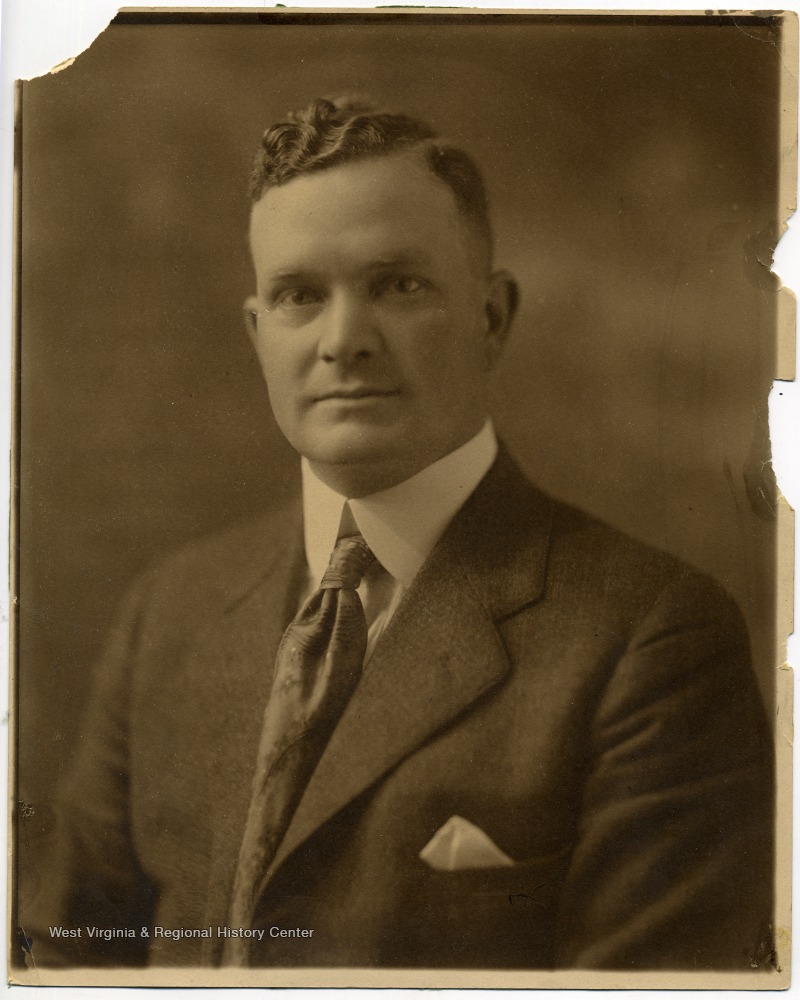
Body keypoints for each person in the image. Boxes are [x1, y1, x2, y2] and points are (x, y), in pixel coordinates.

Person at [26, 97, 773, 972]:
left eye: (398, 286)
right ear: (259, 334)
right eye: (300, 296)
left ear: (492, 316)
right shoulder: (168, 612)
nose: (344, 340)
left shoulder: (651, 639)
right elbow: (64, 960)